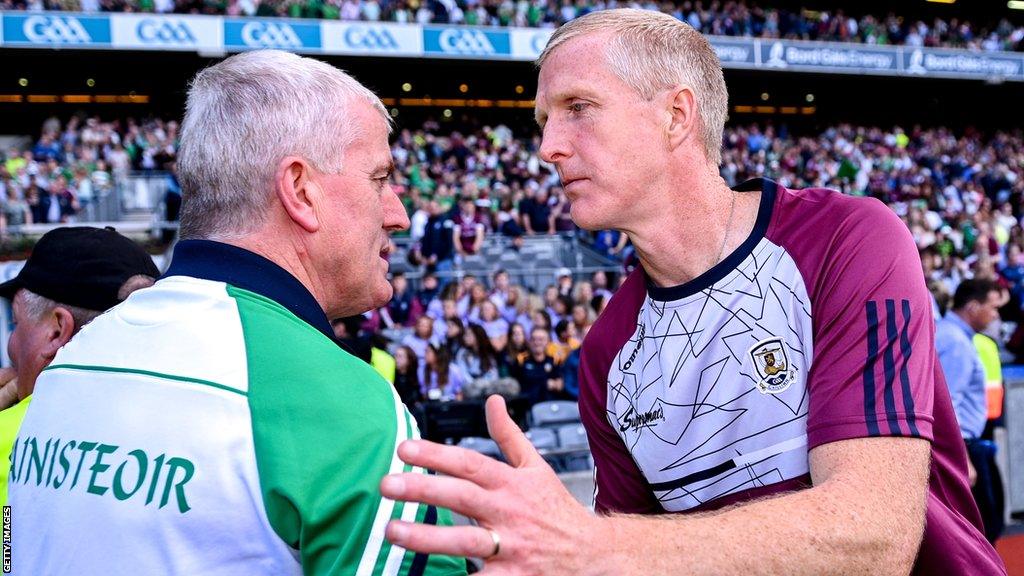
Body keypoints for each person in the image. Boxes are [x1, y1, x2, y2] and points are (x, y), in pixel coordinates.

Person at [377, 10, 1004, 575]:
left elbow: (874, 537)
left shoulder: (848, 238)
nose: (547, 147)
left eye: (578, 107)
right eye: (544, 120)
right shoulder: (606, 353)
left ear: (677, 115)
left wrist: (593, 546)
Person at [9, 50, 465, 576]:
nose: (400, 214)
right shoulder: (342, 402)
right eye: (380, 179)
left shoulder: (72, 362)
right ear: (300, 190)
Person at [0, 227, 159, 507]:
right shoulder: (187, 428)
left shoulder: (13, 437)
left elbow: (8, 547)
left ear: (56, 331)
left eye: (16, 323)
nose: (12, 345)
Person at [935, 278, 1006, 543]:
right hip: (963, 446)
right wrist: (964, 456)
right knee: (985, 527)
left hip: (964, 444)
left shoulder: (948, 334)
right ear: (974, 307)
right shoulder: (956, 343)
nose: (995, 314)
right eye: (992, 307)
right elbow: (948, 404)